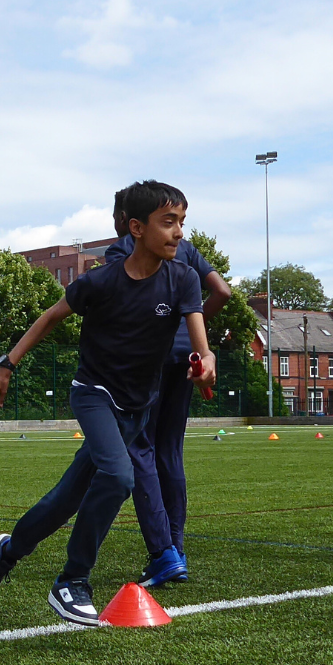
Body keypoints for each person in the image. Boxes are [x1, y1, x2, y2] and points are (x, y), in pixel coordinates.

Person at [0, 180, 216, 625]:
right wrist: (6, 365)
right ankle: (72, 580)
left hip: (136, 408)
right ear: (137, 228)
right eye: (168, 222)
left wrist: (206, 362)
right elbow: (50, 317)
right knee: (120, 477)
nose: (179, 232)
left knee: (64, 500)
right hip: (93, 395)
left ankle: (8, 551)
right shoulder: (101, 281)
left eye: (182, 222)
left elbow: (200, 341)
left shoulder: (183, 279)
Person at [105, 188, 230, 586]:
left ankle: (164, 552)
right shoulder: (186, 251)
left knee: (140, 450)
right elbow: (222, 291)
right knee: (170, 452)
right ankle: (177, 546)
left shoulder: (121, 251)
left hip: (146, 362)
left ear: (127, 220)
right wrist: (191, 326)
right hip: (185, 359)